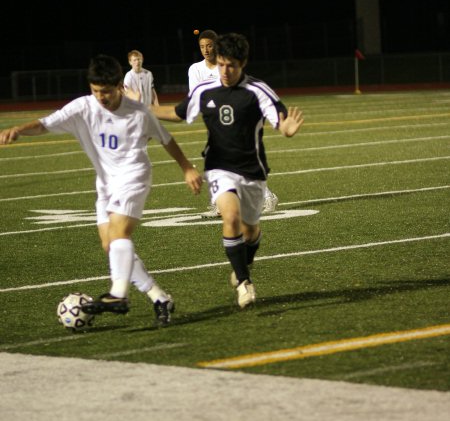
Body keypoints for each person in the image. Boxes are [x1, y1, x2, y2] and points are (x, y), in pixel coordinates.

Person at [0, 54, 202, 326]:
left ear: (119, 86)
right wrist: (19, 130)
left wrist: (187, 168)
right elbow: (45, 124)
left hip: (134, 175)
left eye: (106, 91)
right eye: (96, 91)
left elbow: (166, 139)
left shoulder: (138, 112)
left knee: (120, 233)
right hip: (105, 183)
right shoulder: (83, 108)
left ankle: (118, 294)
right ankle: (158, 297)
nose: (101, 97)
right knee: (112, 245)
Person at [151, 32, 303, 309]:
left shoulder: (258, 90)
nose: (225, 70)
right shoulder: (205, 89)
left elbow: (279, 120)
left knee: (250, 231)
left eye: (231, 65)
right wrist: (143, 107)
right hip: (220, 166)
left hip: (252, 170)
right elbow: (178, 112)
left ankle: (243, 265)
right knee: (229, 217)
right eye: (221, 64)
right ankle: (245, 284)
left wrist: (286, 128)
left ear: (242, 63)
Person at [188, 29, 279, 219]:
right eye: (202, 46)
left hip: (235, 121)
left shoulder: (226, 64)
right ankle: (220, 204)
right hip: (215, 122)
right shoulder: (195, 69)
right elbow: (195, 96)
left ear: (217, 45)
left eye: (209, 46)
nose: (205, 50)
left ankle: (266, 196)